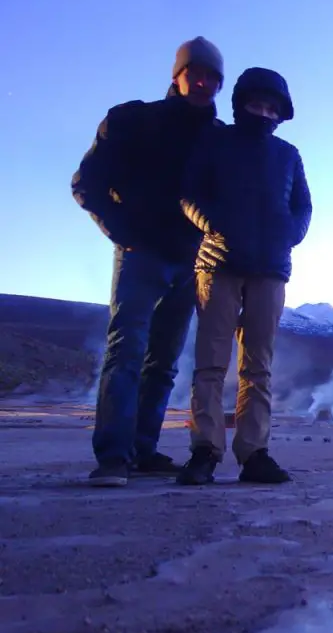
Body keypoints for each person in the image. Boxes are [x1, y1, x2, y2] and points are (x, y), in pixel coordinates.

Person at [71, 36, 225, 487]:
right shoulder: (133, 121)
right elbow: (86, 183)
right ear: (176, 76)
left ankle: (143, 448)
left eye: (212, 77)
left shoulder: (218, 140)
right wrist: (125, 234)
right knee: (127, 351)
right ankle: (113, 457)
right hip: (141, 256)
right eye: (193, 73)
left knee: (164, 361)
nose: (202, 82)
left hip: (191, 262)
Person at [175, 67, 312, 486]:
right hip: (217, 264)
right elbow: (188, 194)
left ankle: (255, 453)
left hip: (270, 268)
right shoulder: (215, 142)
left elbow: (303, 207)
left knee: (259, 366)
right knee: (211, 363)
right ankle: (204, 451)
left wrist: (289, 236)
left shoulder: (288, 154)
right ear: (241, 104)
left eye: (273, 107)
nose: (264, 113)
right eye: (257, 104)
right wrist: (212, 225)